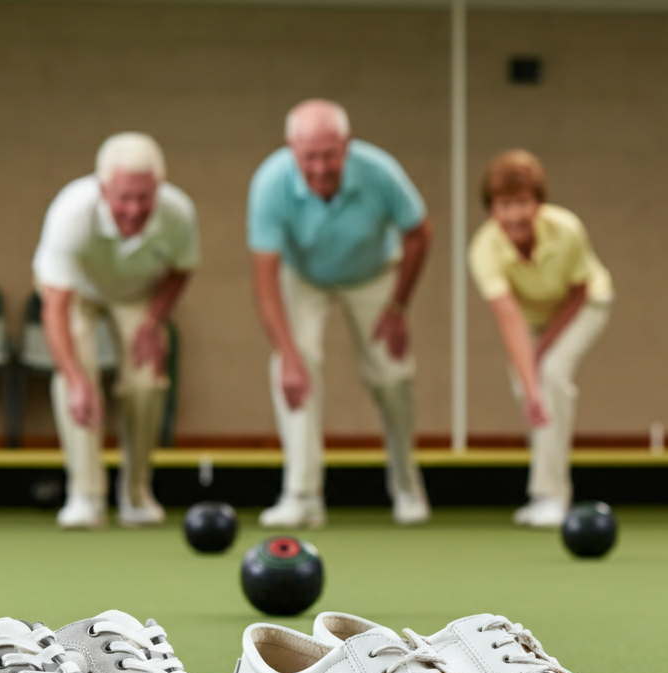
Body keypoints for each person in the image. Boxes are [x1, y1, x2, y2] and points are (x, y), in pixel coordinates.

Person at [247, 99, 433, 527]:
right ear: (291, 148)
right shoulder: (271, 183)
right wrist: (288, 354)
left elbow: (419, 234)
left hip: (371, 273)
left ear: (347, 145)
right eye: (309, 156)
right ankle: (302, 494)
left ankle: (406, 486)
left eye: (330, 154)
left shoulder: (380, 171)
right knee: (293, 369)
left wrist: (398, 307)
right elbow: (265, 278)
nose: (320, 167)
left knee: (392, 375)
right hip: (304, 276)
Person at [33, 132, 199, 528]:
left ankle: (136, 494)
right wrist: (76, 378)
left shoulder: (178, 213)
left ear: (158, 187)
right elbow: (55, 309)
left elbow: (180, 270)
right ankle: (85, 496)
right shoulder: (72, 212)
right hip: (77, 292)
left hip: (137, 293)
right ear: (103, 187)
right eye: (123, 197)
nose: (134, 209)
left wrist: (154, 320)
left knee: (146, 380)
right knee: (76, 379)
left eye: (144, 197)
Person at [468, 150, 614, 528]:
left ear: (538, 204)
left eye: (522, 203)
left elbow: (579, 292)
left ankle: (551, 496)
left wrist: (543, 351)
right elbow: (509, 318)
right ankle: (545, 490)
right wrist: (529, 385)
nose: (514, 215)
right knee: (529, 392)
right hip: (527, 318)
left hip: (585, 305)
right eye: (504, 205)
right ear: (491, 210)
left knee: (551, 377)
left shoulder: (566, 229)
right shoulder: (483, 249)